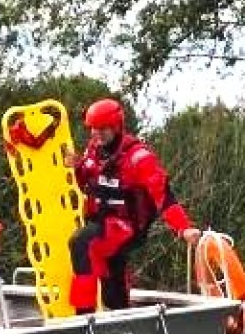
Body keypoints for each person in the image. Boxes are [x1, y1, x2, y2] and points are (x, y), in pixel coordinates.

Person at [68, 97, 201, 314]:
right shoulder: (93, 150)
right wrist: (78, 169)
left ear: (117, 127)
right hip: (102, 223)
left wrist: (183, 228)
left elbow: (164, 196)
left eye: (103, 129)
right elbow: (88, 185)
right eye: (93, 129)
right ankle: (121, 317)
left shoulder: (139, 158)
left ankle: (83, 318)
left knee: (81, 243)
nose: (97, 134)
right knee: (113, 280)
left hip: (127, 226)